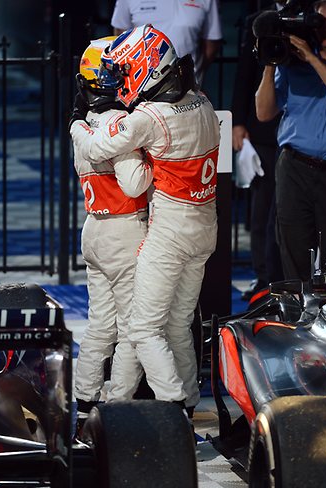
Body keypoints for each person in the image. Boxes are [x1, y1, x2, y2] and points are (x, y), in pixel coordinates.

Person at [70, 24, 220, 416]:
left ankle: (164, 409)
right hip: (204, 228)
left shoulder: (147, 118)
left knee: (140, 329)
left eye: (123, 72)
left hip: (165, 235)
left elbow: (102, 147)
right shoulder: (203, 102)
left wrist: (78, 124)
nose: (120, 83)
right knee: (177, 326)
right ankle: (185, 407)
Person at [70, 36, 153, 428]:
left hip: (94, 230)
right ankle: (116, 411)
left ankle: (85, 404)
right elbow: (135, 184)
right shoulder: (118, 124)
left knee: (100, 325)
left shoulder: (80, 126)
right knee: (134, 330)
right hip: (124, 231)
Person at [255, 0, 326, 281]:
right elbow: (264, 112)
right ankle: (298, 320)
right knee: (292, 251)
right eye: (322, 22)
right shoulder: (292, 62)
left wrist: (314, 60)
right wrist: (269, 64)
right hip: (294, 168)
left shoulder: (311, 60)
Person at [231, 2, 285, 300]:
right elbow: (243, 76)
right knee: (262, 209)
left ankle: (288, 278)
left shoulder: (315, 24)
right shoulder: (257, 21)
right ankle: (263, 277)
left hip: (296, 127)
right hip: (262, 132)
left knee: (289, 213)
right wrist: (238, 122)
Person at [110, 0, 222, 85]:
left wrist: (194, 70)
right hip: (141, 88)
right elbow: (120, 37)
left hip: (188, 86)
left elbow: (211, 43)